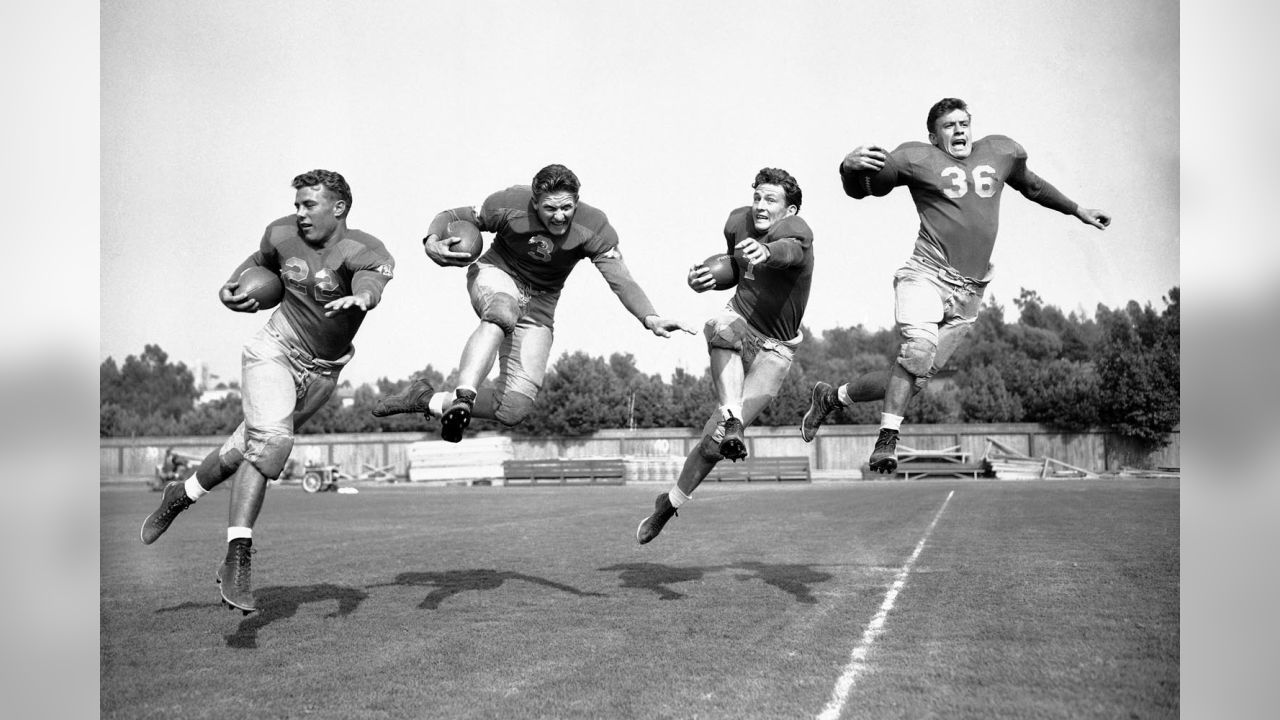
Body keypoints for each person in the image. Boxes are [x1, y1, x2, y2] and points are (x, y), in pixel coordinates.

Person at [800, 98, 1111, 473]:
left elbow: (1032, 186)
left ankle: (831, 398)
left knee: (910, 378)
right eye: (949, 125)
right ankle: (886, 441)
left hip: (970, 292)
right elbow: (867, 187)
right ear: (933, 136)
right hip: (927, 274)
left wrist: (1077, 209)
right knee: (917, 352)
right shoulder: (917, 158)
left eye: (964, 123)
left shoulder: (999, 152)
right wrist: (848, 169)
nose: (959, 130)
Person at [140, 169, 395, 614]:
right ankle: (237, 557)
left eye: (309, 205)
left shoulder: (365, 249)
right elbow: (258, 263)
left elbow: (372, 281)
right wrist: (229, 286)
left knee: (250, 448)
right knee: (274, 442)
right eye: (296, 204)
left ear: (338, 208)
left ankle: (181, 495)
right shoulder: (280, 233)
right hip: (274, 349)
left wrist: (363, 299)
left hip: (323, 372)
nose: (299, 213)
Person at [372, 164, 695, 439]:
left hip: (541, 303)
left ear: (577, 201)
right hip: (497, 274)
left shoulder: (593, 226)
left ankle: (424, 398)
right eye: (550, 208)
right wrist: (431, 239)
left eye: (566, 207)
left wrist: (649, 317)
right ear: (534, 201)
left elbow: (620, 278)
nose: (559, 216)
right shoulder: (508, 204)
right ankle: (465, 397)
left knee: (513, 408)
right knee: (502, 310)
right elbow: (452, 215)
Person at [636, 167, 814, 545]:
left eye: (771, 200)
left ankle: (668, 503)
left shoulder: (797, 232)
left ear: (790, 209)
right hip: (741, 319)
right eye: (758, 197)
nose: (761, 206)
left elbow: (787, 254)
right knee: (719, 326)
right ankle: (733, 417)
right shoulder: (737, 222)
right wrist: (704, 280)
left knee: (713, 444)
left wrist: (767, 250)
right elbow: (736, 267)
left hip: (777, 350)